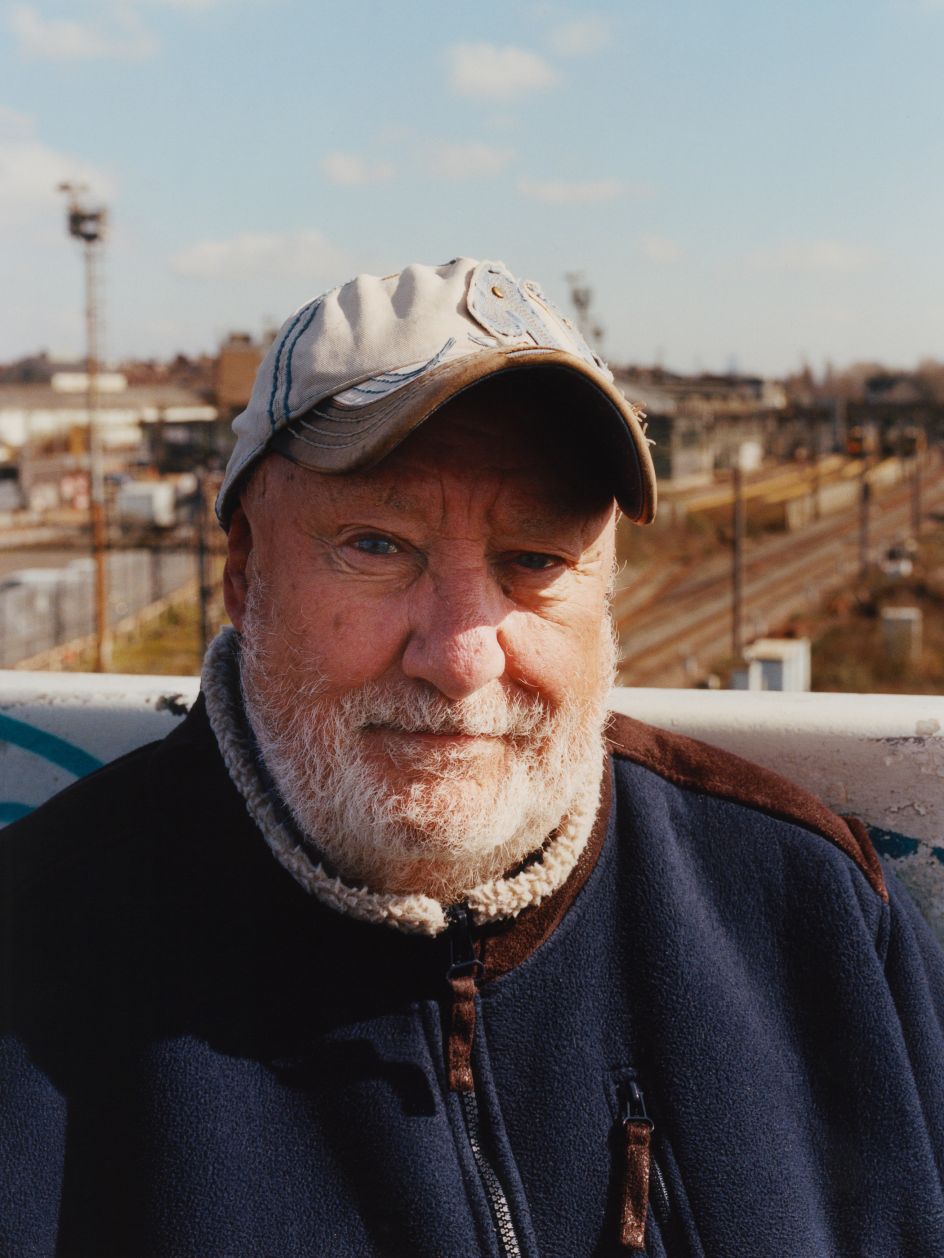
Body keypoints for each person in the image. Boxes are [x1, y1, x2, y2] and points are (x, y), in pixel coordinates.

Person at [1, 257, 943, 1258]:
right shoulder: (34, 954)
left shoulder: (816, 918)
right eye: (375, 544)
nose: (458, 659)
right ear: (244, 573)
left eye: (532, 560)